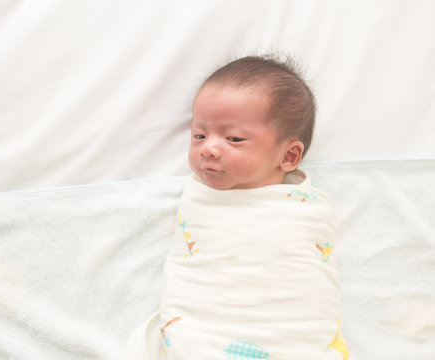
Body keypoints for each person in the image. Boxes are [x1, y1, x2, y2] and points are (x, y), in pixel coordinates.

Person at [122, 55, 349, 360]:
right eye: (199, 135)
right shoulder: (199, 198)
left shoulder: (304, 208)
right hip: (206, 331)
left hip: (289, 332)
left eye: (234, 138)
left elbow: (307, 280)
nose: (208, 148)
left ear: (290, 156)